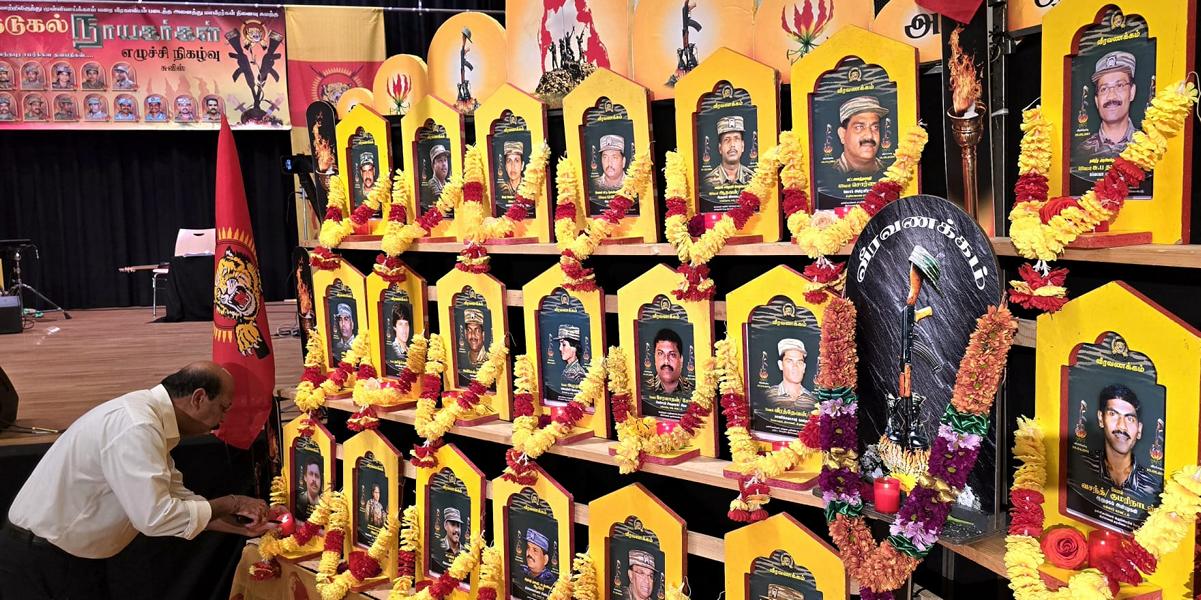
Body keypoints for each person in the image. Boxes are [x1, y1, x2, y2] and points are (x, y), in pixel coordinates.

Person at [0, 362, 273, 599]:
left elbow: (173, 497)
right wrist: (233, 503)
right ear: (199, 398)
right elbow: (156, 517)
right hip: (43, 559)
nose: (222, 420)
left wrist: (237, 524)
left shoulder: (147, 416)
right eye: (223, 408)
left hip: (65, 558)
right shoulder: (137, 425)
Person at [1082, 384, 1157, 499]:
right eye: (1113, 414)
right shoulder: (1081, 468)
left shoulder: (1153, 490)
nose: (1122, 426)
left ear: (1139, 430)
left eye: (1130, 419)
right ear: (1101, 418)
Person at [1079, 51, 1138, 157]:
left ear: (1132, 92)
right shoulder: (1082, 152)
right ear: (1096, 100)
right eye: (1104, 89)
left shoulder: (1148, 147)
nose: (1111, 96)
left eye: (1119, 85)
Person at [833, 96, 888, 176]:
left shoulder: (891, 172)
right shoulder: (828, 173)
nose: (869, 136)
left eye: (875, 127)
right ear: (842, 134)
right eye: (859, 127)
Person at [764, 338, 816, 411]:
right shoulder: (768, 396)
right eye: (789, 361)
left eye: (799, 362)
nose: (795, 366)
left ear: (804, 367)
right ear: (780, 365)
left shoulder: (813, 401)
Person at [703, 115, 753, 187]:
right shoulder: (708, 182)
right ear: (720, 148)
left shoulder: (754, 180)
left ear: (742, 146)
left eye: (736, 139)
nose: (732, 145)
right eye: (727, 140)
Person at [648, 328, 692, 397]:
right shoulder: (644, 389)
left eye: (672, 355)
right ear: (654, 357)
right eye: (660, 353)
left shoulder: (694, 393)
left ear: (681, 359)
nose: (666, 361)